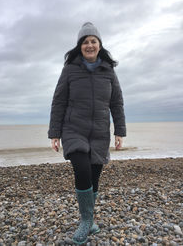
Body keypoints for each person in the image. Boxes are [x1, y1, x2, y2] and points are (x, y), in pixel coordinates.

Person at [48, 22, 126, 244]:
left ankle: (90, 220)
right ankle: (85, 221)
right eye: (85, 42)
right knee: (82, 170)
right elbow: (59, 101)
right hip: (74, 129)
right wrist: (55, 133)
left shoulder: (108, 71)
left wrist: (120, 130)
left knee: (94, 176)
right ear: (79, 46)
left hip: (100, 131)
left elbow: (117, 102)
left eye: (93, 41)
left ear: (100, 45)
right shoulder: (70, 70)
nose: (89, 45)